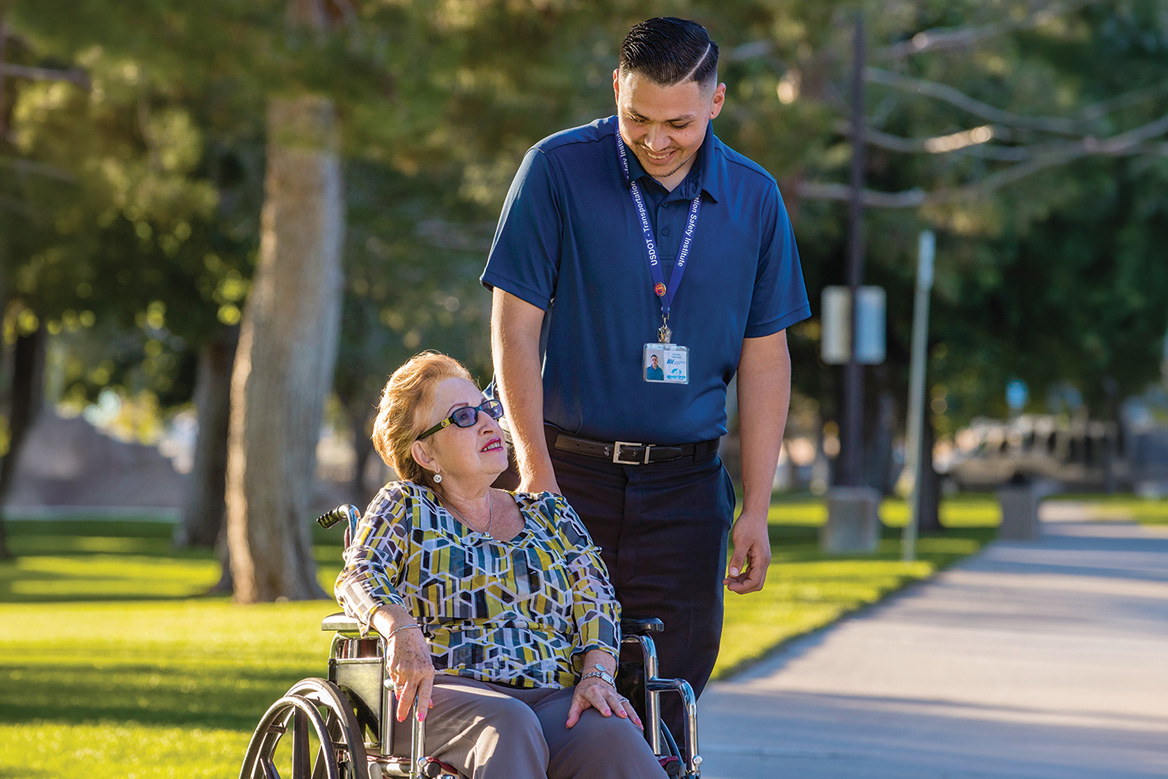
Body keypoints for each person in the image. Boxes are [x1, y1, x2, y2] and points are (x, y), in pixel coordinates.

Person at [481, 17, 811, 732]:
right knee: (550, 694)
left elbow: (765, 359)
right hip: (569, 480)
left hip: (687, 495)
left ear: (716, 102)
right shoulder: (556, 169)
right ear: (614, 91)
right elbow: (514, 328)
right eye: (638, 118)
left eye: (679, 124)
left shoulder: (755, 199)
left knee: (666, 707)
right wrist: (534, 469)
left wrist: (755, 505)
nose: (657, 140)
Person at [335, 351, 666, 779]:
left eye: (489, 409)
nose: (490, 423)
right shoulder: (404, 506)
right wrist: (400, 628)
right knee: (509, 723)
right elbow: (360, 573)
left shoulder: (551, 514)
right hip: (440, 696)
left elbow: (597, 601)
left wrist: (597, 675)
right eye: (465, 417)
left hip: (553, 698)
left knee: (611, 733)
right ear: (425, 454)